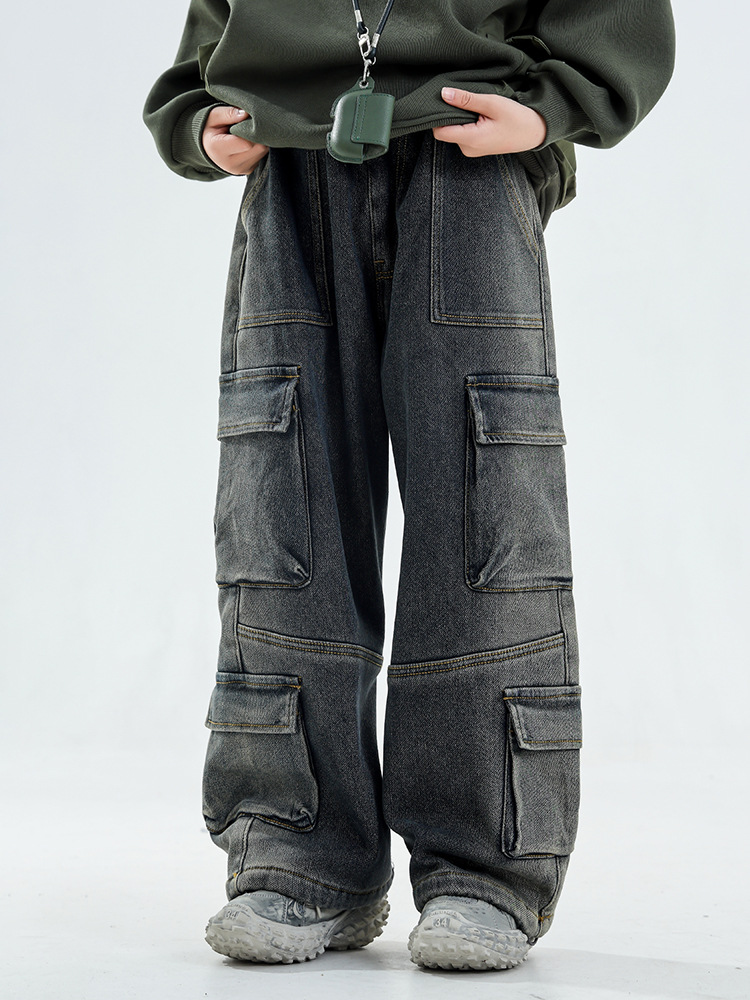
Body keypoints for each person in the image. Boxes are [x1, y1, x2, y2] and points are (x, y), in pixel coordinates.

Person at [143, 0, 676, 972]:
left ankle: (483, 868)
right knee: (284, 514)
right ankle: (299, 855)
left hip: (469, 162)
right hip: (290, 171)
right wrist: (197, 119)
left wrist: (554, 104)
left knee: (486, 520)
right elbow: (212, 34)